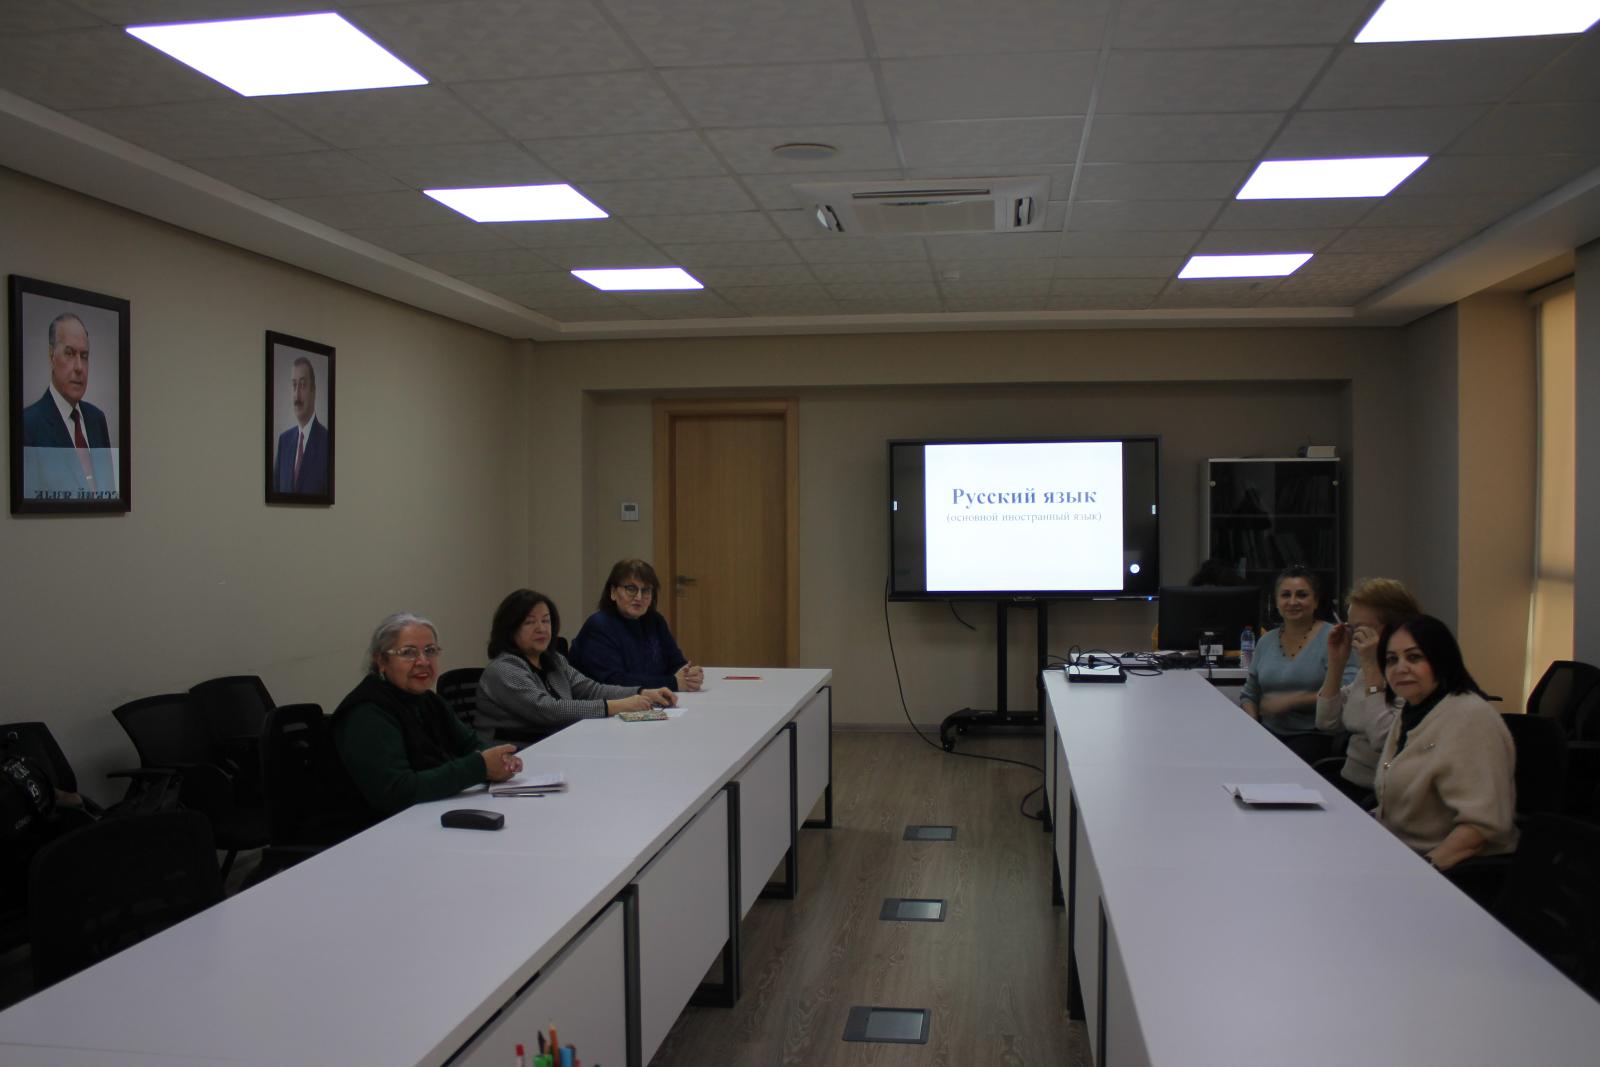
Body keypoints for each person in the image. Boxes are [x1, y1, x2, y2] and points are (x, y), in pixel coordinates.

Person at [332, 612, 521, 817]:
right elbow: (395, 791)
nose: (423, 661)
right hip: (375, 827)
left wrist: (500, 759)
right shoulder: (366, 713)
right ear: (381, 661)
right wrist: (480, 767)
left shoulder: (428, 700)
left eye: (430, 651)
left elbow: (469, 744)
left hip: (428, 811)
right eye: (408, 653)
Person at [1374, 615, 1517, 870]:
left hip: (1448, 869)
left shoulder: (1471, 718)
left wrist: (1423, 871)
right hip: (1397, 850)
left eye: (1414, 657)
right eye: (1392, 660)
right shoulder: (1414, 708)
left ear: (1441, 660)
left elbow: (1480, 828)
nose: (1401, 668)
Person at [476, 589, 678, 740]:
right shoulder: (504, 669)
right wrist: (614, 706)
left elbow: (591, 689)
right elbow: (547, 710)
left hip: (555, 743)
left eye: (546, 621)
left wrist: (641, 692)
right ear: (510, 629)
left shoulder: (554, 660)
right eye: (530, 622)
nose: (541, 629)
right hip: (517, 754)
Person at [1315, 578, 1422, 800]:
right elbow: (1326, 722)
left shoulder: (1412, 675)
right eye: (1349, 627)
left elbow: (1383, 739)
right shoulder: (1367, 670)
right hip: (1348, 780)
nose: (1352, 635)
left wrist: (1373, 669)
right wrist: (1336, 663)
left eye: (1358, 629)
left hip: (1380, 792)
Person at [1240, 565, 1350, 759]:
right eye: (1285, 595)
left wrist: (1292, 701)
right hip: (1270, 732)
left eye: (1302, 595)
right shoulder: (1266, 641)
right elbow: (1250, 694)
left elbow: (1348, 691)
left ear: (1315, 601)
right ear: (1276, 602)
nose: (1293, 602)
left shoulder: (1335, 638)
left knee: (1276, 762)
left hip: (1316, 735)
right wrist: (1253, 726)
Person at [20, 311, 117, 500]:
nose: (79, 367)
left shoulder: (97, 419)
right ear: (51, 356)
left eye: (84, 355)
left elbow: (109, 495)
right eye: (70, 353)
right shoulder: (28, 424)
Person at [570, 560, 703, 691]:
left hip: (650, 700)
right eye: (631, 589)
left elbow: (676, 663)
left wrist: (689, 675)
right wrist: (673, 683)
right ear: (613, 592)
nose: (639, 597)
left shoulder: (655, 621)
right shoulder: (599, 626)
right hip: (604, 703)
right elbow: (614, 681)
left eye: (646, 590)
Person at [273, 356, 329, 494]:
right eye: (294, 385)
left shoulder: (327, 442)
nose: (297, 395)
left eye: (303, 385)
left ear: (313, 390)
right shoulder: (284, 441)